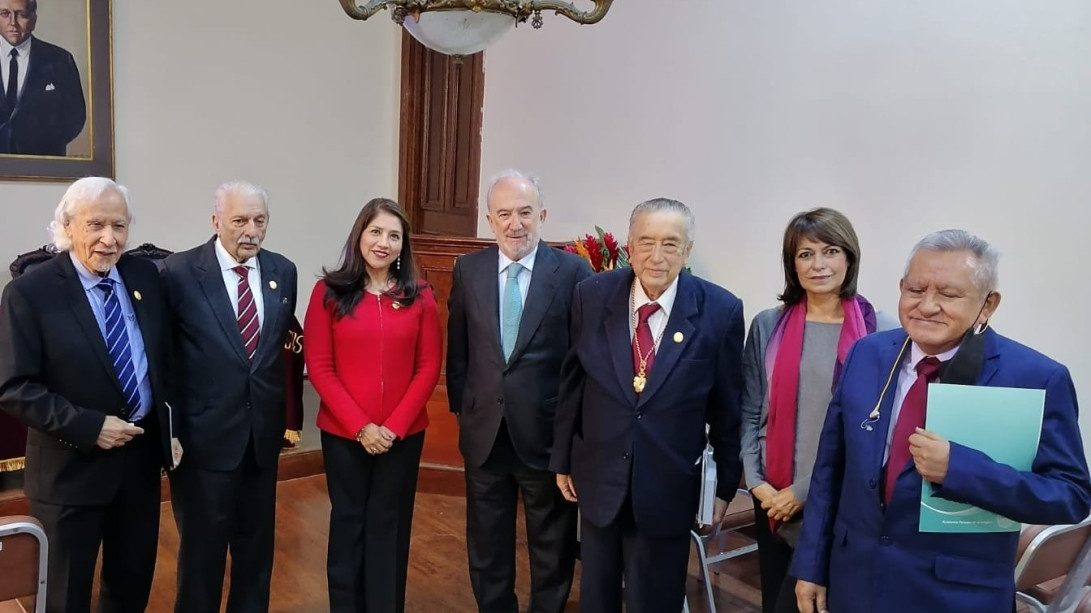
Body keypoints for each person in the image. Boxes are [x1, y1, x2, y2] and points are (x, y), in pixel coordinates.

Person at [792, 229, 1091, 613]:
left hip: (954, 595)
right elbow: (829, 470)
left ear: (987, 304)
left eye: (948, 295)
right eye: (916, 290)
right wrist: (811, 566)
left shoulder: (1034, 377)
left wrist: (960, 469)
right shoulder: (867, 354)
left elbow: (1070, 496)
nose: (928, 306)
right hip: (856, 581)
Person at [551, 198, 745, 613]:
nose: (657, 256)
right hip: (600, 477)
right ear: (630, 245)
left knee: (654, 601)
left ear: (687, 250)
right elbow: (573, 384)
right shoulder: (591, 295)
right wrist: (562, 458)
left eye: (670, 244)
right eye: (646, 242)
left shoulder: (721, 311)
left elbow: (728, 407)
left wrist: (725, 485)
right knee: (597, 599)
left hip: (668, 487)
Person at [0, 177, 180, 612]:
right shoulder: (30, 292)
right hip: (69, 472)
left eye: (119, 226)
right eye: (95, 225)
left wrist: (171, 429)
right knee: (64, 596)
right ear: (67, 226)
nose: (109, 239)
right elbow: (14, 387)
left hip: (138, 467)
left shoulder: (145, 277)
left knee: (131, 586)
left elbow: (163, 359)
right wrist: (89, 426)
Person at [447, 170, 592, 613]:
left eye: (525, 213)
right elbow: (459, 351)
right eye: (504, 214)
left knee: (552, 545)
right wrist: (466, 411)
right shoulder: (468, 270)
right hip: (485, 435)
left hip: (547, 437)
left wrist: (574, 436)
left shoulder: (573, 273)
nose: (516, 224)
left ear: (542, 216)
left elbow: (582, 361)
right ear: (489, 220)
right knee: (486, 544)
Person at [162, 181, 298, 613]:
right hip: (203, 443)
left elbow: (272, 357)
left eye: (260, 220)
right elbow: (164, 359)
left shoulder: (283, 271)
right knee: (201, 559)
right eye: (239, 220)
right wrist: (171, 433)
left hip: (260, 440)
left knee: (256, 556)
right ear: (216, 220)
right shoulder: (178, 273)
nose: (251, 231)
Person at [304, 198, 442, 613]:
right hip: (344, 434)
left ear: (403, 245)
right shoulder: (328, 292)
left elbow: (428, 366)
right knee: (348, 523)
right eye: (376, 232)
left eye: (394, 236)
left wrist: (394, 427)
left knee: (389, 525)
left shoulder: (420, 296)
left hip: (403, 436)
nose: (384, 242)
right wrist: (361, 426)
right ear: (360, 235)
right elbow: (320, 367)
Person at [740, 208, 880, 613]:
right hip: (771, 498)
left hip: (838, 499)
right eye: (805, 254)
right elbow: (750, 411)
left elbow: (872, 431)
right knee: (776, 602)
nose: (818, 264)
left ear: (849, 257)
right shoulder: (768, 324)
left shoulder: (879, 331)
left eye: (830, 251)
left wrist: (802, 492)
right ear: (793, 264)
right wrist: (758, 484)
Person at [0, 0, 87, 156]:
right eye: (5, 14)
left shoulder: (60, 60)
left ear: (33, 19)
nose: (13, 23)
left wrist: (44, 146)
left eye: (21, 14)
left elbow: (75, 117)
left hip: (43, 162)